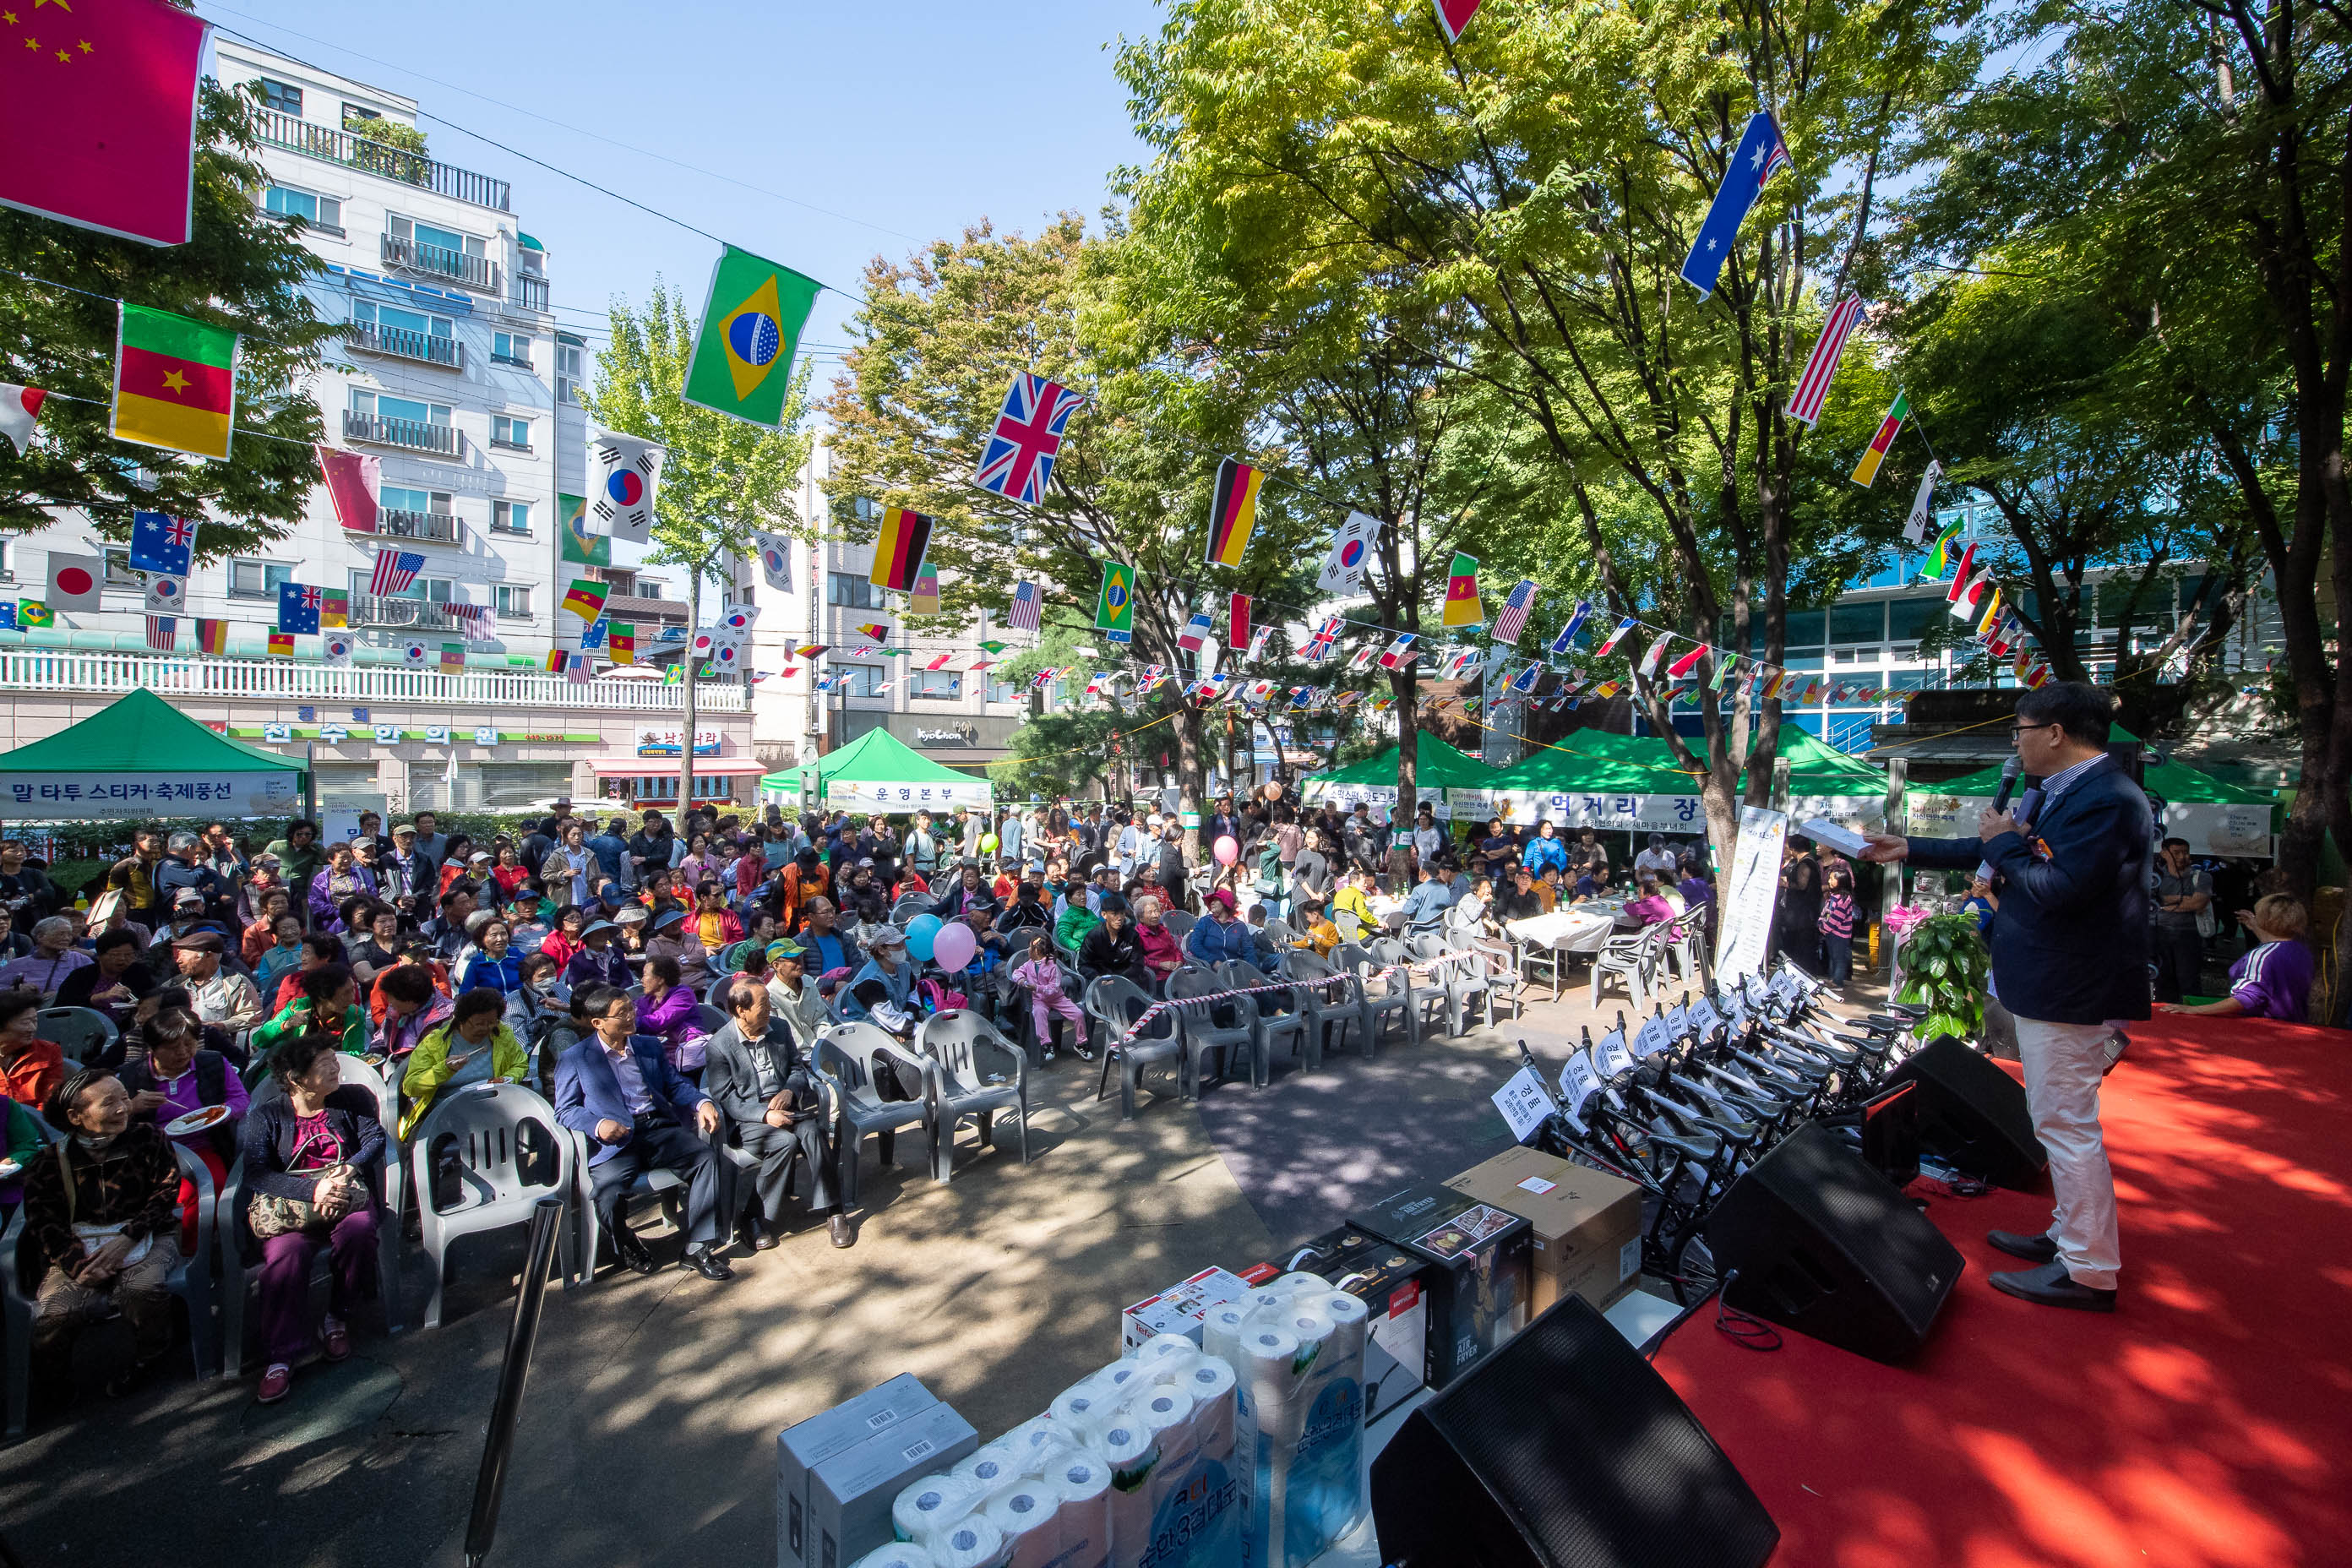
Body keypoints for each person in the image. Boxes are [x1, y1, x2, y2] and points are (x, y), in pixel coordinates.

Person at [1863, 681, 2151, 1313]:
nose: (2014, 744)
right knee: (2059, 1120)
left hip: (2070, 985)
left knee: (2065, 1125)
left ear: (2054, 732)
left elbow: (2056, 884)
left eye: (2020, 730)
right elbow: (1999, 850)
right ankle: (2069, 1235)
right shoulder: (2064, 792)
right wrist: (1911, 846)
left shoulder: (2108, 800)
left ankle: (2090, 1270)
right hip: (2053, 980)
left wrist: (2003, 842)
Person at [239, 1034, 388, 1404]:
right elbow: (256, 1173)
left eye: (334, 1061)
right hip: (293, 1209)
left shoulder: (351, 1099)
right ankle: (281, 1355)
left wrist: (347, 1170)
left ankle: (336, 1317)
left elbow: (374, 1140)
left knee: (360, 1229)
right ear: (295, 1077)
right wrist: (312, 1191)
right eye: (325, 1064)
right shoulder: (268, 1116)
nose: (336, 1068)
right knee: (284, 1257)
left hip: (345, 1196)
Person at [19, 1068, 184, 1401]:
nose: (123, 1108)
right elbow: (43, 1221)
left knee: (142, 1289)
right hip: (80, 1246)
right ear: (75, 1116)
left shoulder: (149, 1138)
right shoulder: (49, 1162)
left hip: (147, 1235)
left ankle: (148, 1358)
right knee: (56, 1312)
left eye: (124, 1098)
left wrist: (127, 1238)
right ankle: (54, 1385)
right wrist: (78, 1265)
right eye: (109, 1103)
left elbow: (165, 1195)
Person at [554, 986, 731, 1279]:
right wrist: (598, 1125)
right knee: (607, 1194)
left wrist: (702, 1102)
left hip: (657, 1128)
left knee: (706, 1158)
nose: (630, 1016)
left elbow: (673, 1084)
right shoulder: (576, 1057)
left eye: (630, 1008)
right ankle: (625, 1243)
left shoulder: (648, 1046)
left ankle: (697, 1248)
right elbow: (565, 1109)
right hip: (616, 1140)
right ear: (598, 1023)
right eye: (621, 1013)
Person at [703, 976, 851, 1250]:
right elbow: (725, 1098)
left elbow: (796, 1069)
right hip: (751, 1118)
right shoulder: (720, 1046)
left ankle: (834, 1210)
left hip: (787, 1107)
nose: (770, 1008)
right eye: (763, 1003)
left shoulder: (779, 1029)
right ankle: (753, 1218)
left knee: (813, 1134)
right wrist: (764, 1115)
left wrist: (789, 1091)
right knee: (785, 1142)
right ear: (741, 1011)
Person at [119, 1003, 248, 1184]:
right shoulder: (130, 1076)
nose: (182, 1052)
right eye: (172, 1048)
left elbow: (241, 1099)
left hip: (206, 1146)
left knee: (212, 1185)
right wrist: (131, 1107)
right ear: (152, 1048)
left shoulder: (214, 1063)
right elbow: (109, 1123)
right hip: (153, 1153)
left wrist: (224, 1111)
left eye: (189, 1044)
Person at [396, 988, 527, 1139]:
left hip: (490, 1106)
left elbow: (520, 1064)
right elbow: (411, 1086)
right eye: (478, 1024)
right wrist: (443, 1070)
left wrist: (506, 1079)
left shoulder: (501, 1034)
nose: (485, 1029)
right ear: (461, 1020)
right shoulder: (435, 1042)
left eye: (492, 1022)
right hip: (444, 1112)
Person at [2159, 896, 2315, 1021]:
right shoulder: (2300, 950)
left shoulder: (2261, 955)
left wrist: (2193, 1010)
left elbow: (2247, 998)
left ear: (2266, 920)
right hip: (2294, 1022)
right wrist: (2256, 927)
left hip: (2263, 1026)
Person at [251, 965, 373, 1064]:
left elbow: (355, 1052)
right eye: (345, 993)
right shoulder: (297, 1008)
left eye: (353, 990)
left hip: (338, 1069)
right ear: (323, 995)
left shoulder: (355, 1014)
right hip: (295, 1069)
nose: (352, 999)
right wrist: (287, 1025)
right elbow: (259, 1040)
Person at [2149, 838, 2213, 1004]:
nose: (2182, 856)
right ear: (2164, 853)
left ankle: (2194, 1015)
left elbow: (2198, 904)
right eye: (2176, 852)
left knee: (2189, 980)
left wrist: (2164, 903)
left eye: (2185, 852)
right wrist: (2182, 899)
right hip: (2160, 933)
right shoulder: (2155, 878)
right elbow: (2150, 901)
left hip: (2189, 934)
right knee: (2162, 980)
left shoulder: (2202, 877)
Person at [172, 931, 265, 1036]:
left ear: (207, 955)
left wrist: (223, 1025)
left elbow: (252, 1015)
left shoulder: (235, 982)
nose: (179, 961)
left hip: (217, 1045)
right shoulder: (174, 985)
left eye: (184, 955)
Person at [54, 928, 157, 1020]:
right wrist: (96, 998)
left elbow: (152, 997)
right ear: (100, 955)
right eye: (115, 955)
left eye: (129, 955)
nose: (122, 959)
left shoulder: (139, 972)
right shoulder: (81, 975)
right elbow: (62, 1007)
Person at [1010, 936, 1086, 1061]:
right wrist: (1022, 980)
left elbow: (1053, 989)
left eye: (1030, 947)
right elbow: (1016, 972)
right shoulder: (1029, 964)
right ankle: (1046, 1043)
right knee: (1038, 1012)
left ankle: (1081, 1042)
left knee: (1078, 1013)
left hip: (1058, 999)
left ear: (1037, 951)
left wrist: (1036, 988)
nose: (1028, 950)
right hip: (1039, 1000)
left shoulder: (1053, 967)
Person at [639, 954, 711, 1075]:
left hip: (685, 1056)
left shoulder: (683, 994)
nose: (641, 980)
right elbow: (634, 1013)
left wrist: (631, 1023)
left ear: (661, 979)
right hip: (659, 1054)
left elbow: (659, 1021)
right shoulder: (648, 999)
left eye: (645, 974)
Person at [0, 990, 65, 1108]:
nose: (32, 1028)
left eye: (35, 1021)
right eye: (25, 1023)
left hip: (35, 1122)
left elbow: (49, 1101)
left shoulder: (49, 1052)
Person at [0, 914, 92, 998]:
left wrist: (63, 993)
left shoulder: (80, 960)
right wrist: (17, 990)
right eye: (61, 934)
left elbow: (96, 987)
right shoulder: (17, 964)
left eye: (69, 934)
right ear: (40, 936)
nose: (66, 938)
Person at [1078, 894, 1150, 987]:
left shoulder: (1132, 935)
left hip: (1126, 981)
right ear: (1104, 915)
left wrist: (1118, 979)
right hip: (1101, 982)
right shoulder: (1093, 936)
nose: (1119, 918)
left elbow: (1137, 964)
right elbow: (1083, 965)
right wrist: (1096, 977)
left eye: (1122, 913)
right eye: (1114, 914)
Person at [1817, 862, 1859, 988]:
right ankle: (1833, 978)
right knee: (1833, 957)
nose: (1829, 882)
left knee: (1839, 958)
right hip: (1831, 933)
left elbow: (1836, 918)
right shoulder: (1833, 896)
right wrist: (1821, 923)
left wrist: (1824, 927)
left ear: (1841, 881)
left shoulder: (1844, 898)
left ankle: (1838, 981)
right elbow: (1825, 912)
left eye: (1832, 879)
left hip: (1839, 935)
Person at [564, 919, 634, 994]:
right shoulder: (577, 960)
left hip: (619, 995)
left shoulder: (617, 953)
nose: (602, 936)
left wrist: (618, 993)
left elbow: (627, 979)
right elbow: (578, 987)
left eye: (605, 932)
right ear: (588, 937)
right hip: (593, 999)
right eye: (597, 933)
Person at [0, 839, 61, 923]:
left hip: (33, 918)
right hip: (5, 919)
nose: (19, 854)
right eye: (13, 851)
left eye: (22, 850)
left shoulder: (34, 873)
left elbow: (48, 892)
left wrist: (29, 897)